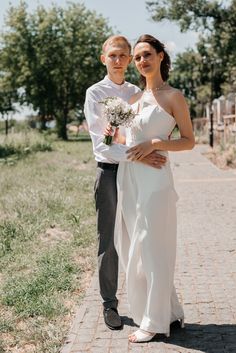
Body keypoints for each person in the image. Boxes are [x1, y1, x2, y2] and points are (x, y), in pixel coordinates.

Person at [111, 34, 195, 342]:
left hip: (157, 183)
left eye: (147, 54)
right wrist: (114, 135)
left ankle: (153, 321)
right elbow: (125, 141)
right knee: (137, 248)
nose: (142, 61)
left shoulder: (174, 96)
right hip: (130, 179)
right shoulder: (132, 99)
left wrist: (157, 144)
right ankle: (168, 311)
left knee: (153, 248)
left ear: (160, 56)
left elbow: (189, 140)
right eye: (137, 58)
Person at [84, 35, 167, 330]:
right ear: (103, 58)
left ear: (130, 58)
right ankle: (109, 304)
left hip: (134, 175)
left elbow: (135, 135)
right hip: (108, 172)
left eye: (123, 56)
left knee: (140, 235)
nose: (118, 61)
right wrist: (140, 157)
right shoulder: (95, 93)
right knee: (108, 240)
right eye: (112, 55)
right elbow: (102, 145)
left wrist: (146, 152)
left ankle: (147, 304)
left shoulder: (136, 92)